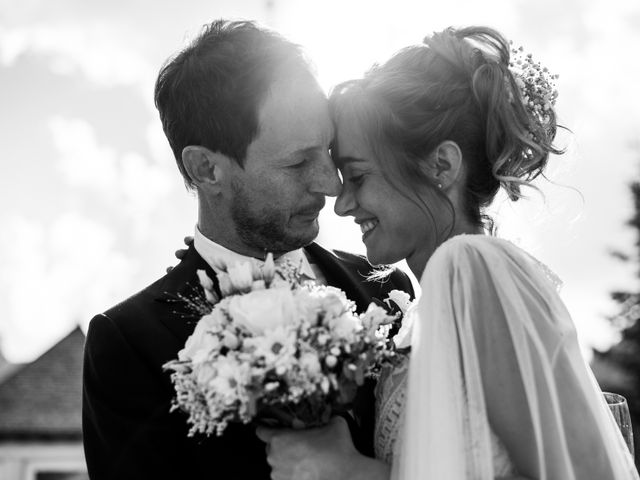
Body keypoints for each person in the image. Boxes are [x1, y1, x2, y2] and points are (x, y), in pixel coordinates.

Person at [258, 26, 640, 479]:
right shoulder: (433, 301)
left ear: (442, 165)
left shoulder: (473, 270)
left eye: (358, 176)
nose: (341, 203)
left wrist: (348, 471)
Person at [82, 20, 413, 480]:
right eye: (298, 162)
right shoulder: (130, 344)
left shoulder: (389, 289)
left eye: (329, 150)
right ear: (206, 169)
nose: (331, 184)